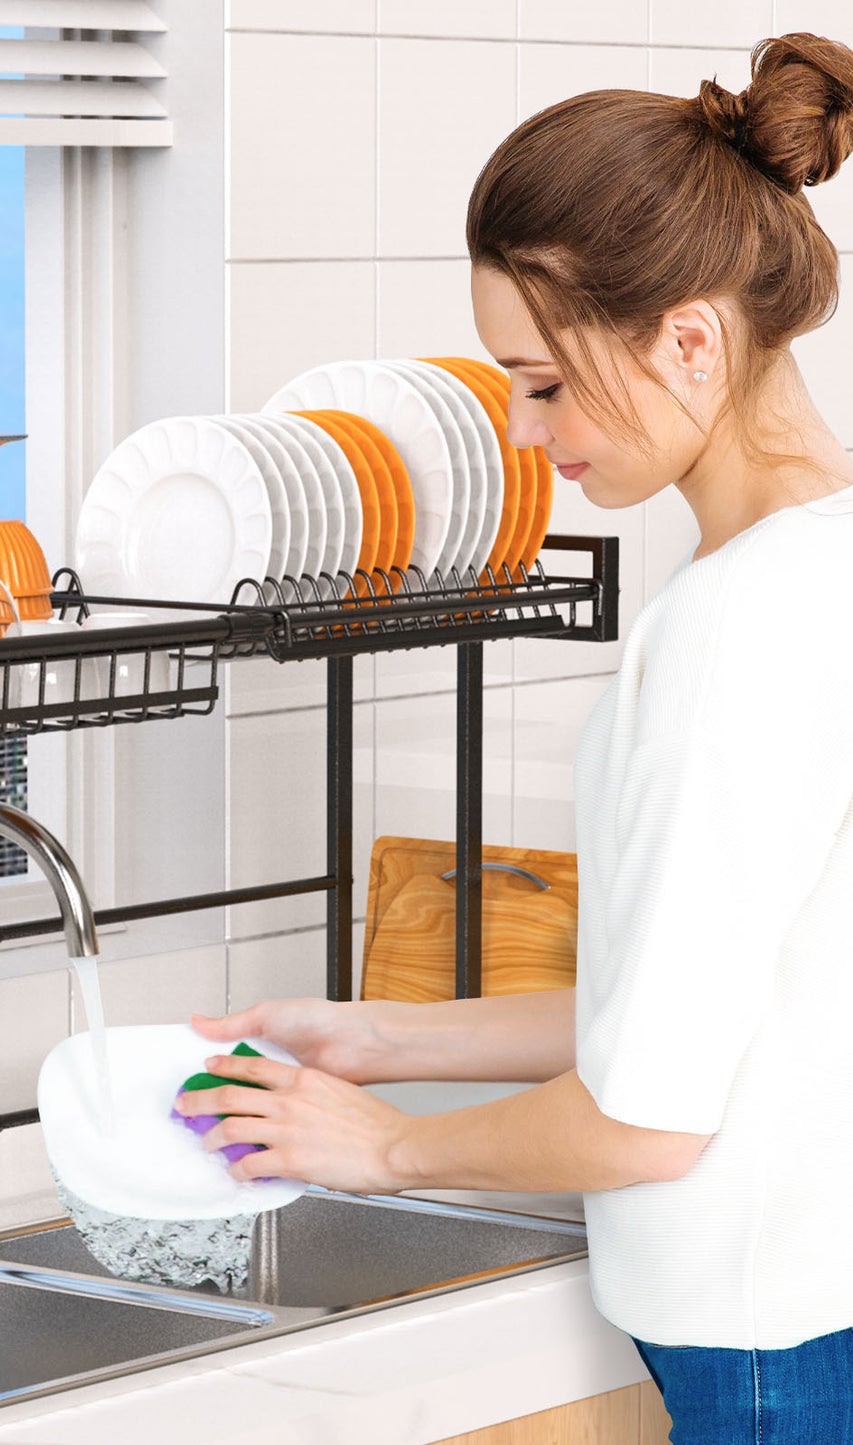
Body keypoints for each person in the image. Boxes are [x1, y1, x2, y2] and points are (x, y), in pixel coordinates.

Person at [176, 32, 853, 1444]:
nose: (521, 427)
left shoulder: (734, 627)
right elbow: (695, 1007)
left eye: (542, 382)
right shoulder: (819, 561)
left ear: (686, 337)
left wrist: (383, 1147)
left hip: (766, 1342)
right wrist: (376, 1037)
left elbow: (644, 1115)